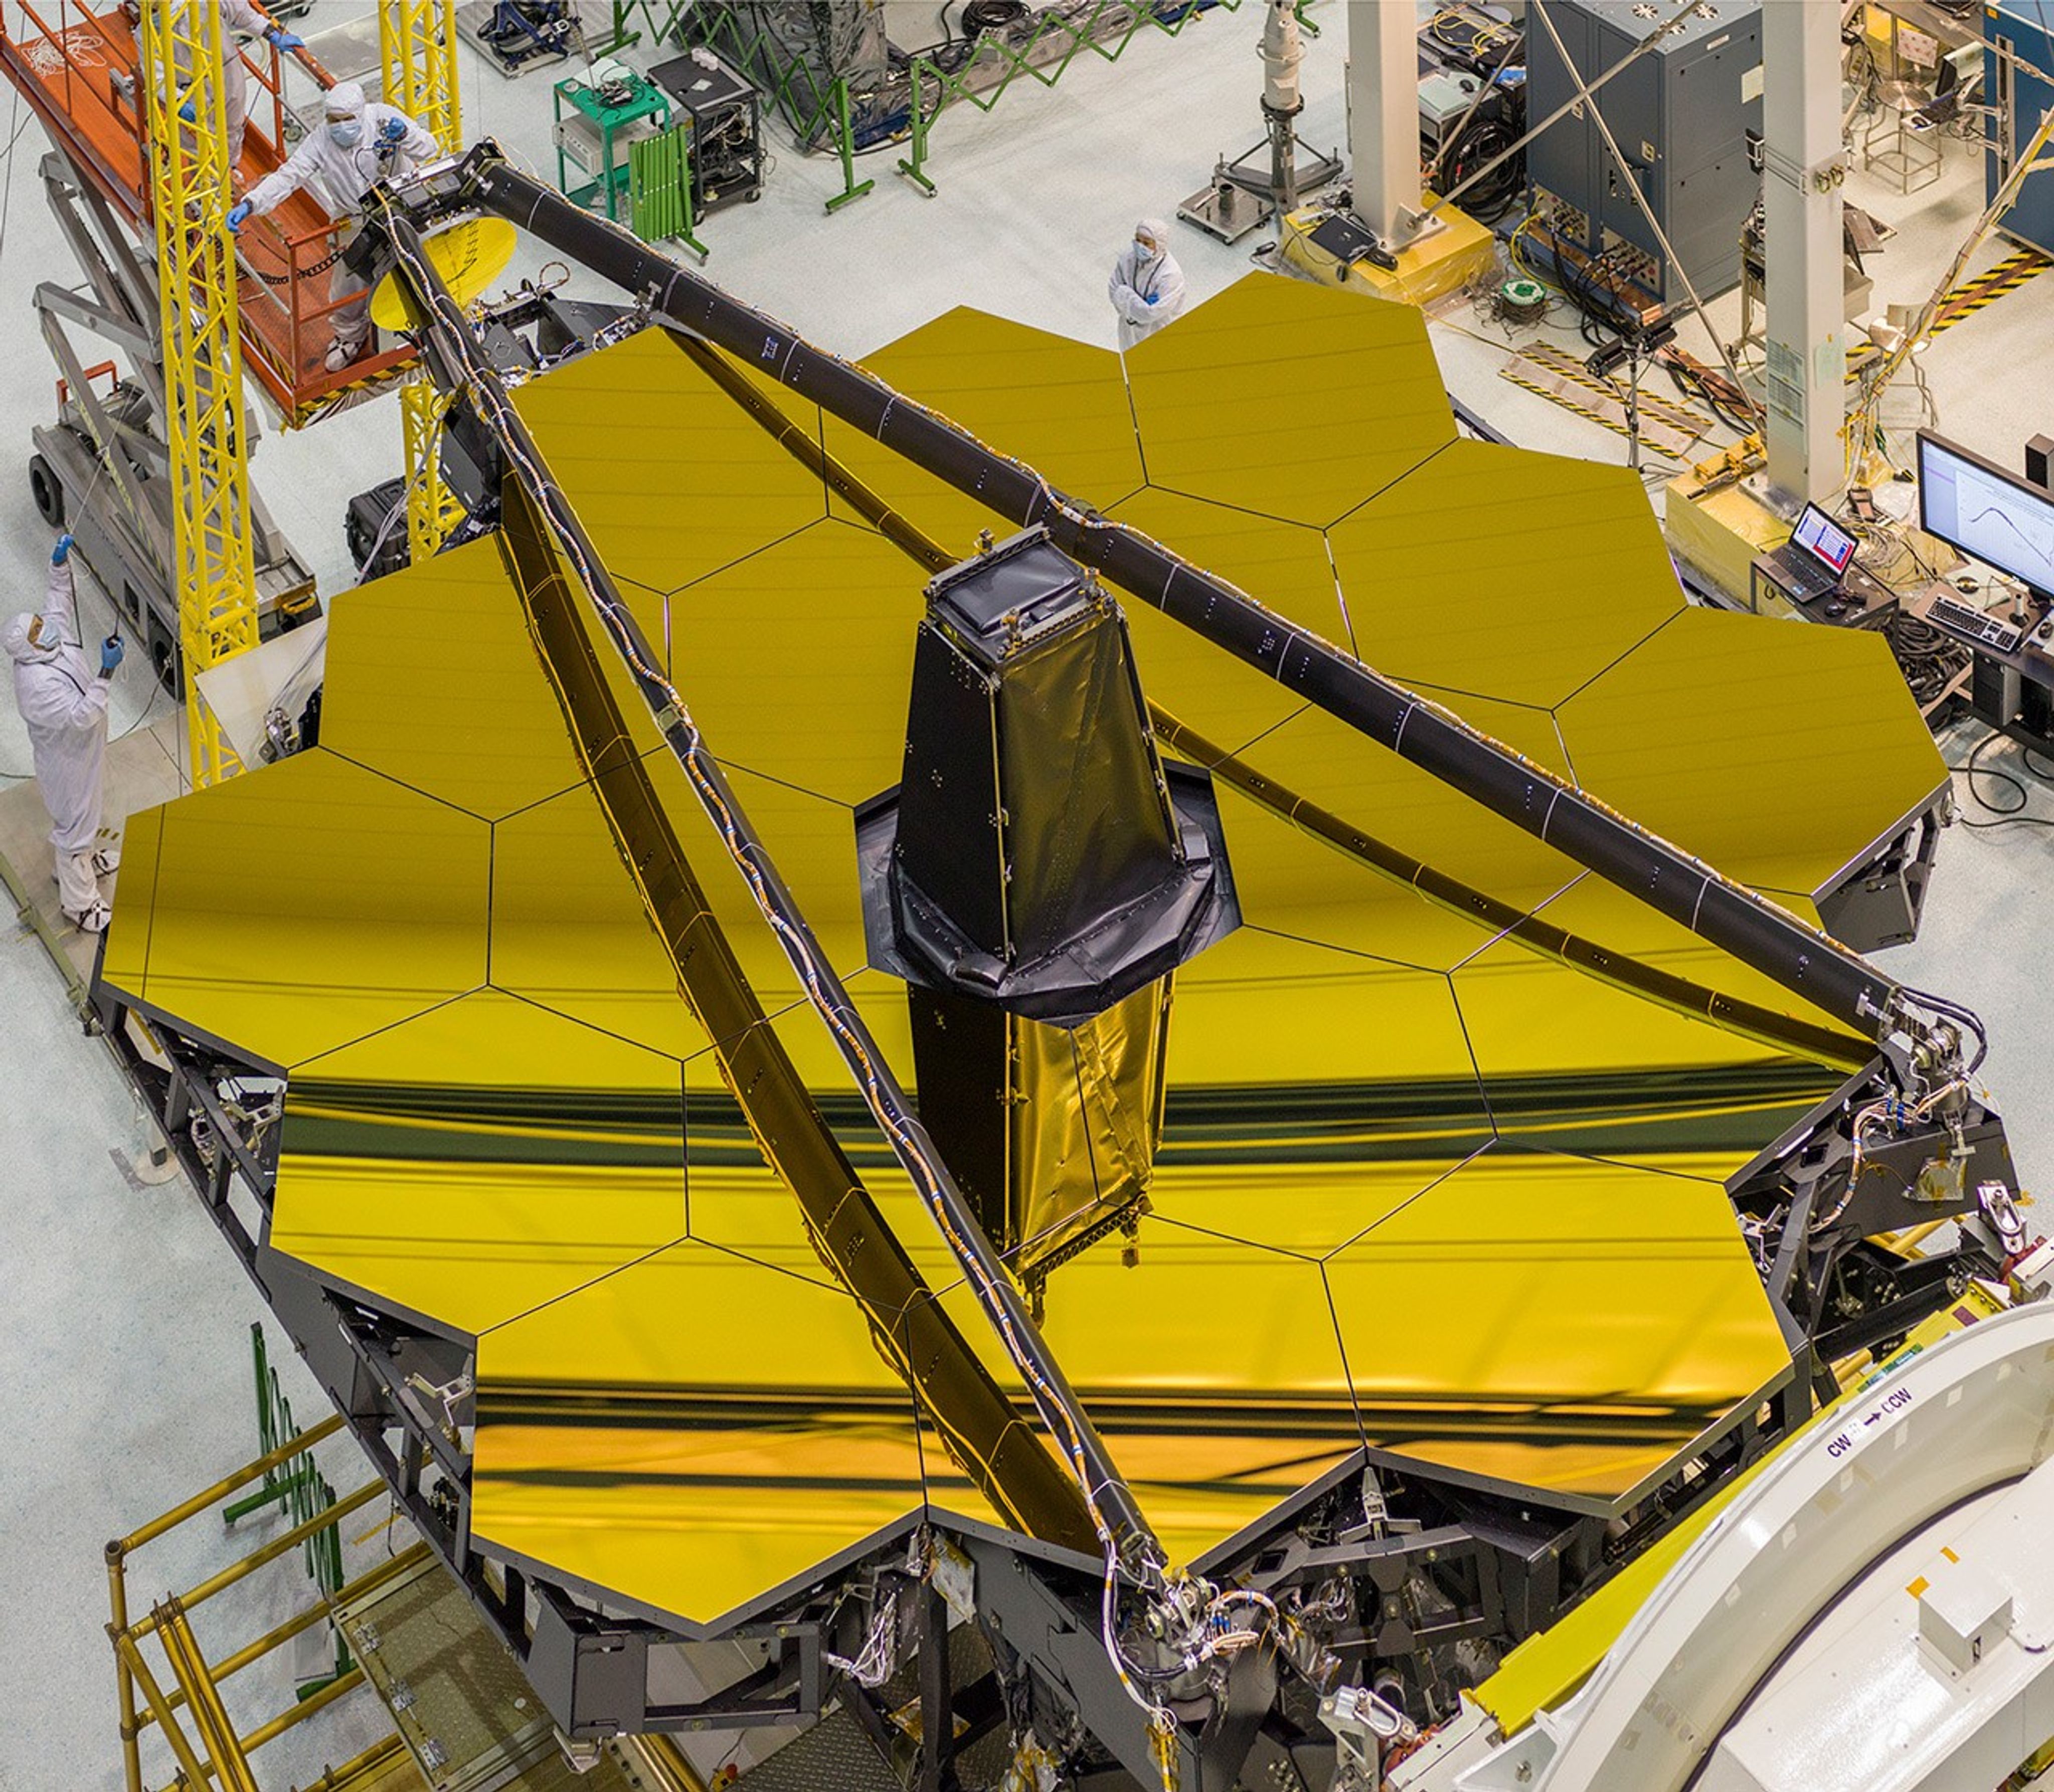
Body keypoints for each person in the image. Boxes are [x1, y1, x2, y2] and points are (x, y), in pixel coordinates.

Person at [228, 82, 438, 374]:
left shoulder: (382, 119)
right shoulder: (321, 140)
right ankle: (349, 338)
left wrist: (405, 136)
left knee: (419, 266)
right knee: (348, 283)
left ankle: (431, 318)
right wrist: (251, 203)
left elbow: (429, 147)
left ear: (360, 113)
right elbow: (290, 175)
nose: (340, 127)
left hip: (402, 206)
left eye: (347, 120)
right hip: (355, 218)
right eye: (333, 121)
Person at [6, 535, 124, 934]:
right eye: (39, 630)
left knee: (87, 818)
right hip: (67, 763)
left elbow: (59, 600)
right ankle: (81, 904)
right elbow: (81, 715)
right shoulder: (35, 687)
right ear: (27, 649)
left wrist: (59, 563)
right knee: (76, 826)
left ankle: (84, 863)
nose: (47, 627)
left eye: (40, 623)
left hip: (83, 751)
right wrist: (107, 672)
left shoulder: (45, 644)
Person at [120, 0, 304, 171]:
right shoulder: (147, 33)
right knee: (196, 143)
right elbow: (156, 76)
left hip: (226, 72)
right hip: (188, 89)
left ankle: (229, 170)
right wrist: (178, 100)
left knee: (232, 126)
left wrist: (271, 33)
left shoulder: (202, 4)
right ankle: (203, 183)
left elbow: (242, 12)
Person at [1108, 218, 1187, 350]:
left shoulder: (1170, 275)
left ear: (1160, 245)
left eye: (1147, 243)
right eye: (1138, 240)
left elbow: (1150, 314)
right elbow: (1112, 290)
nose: (1140, 246)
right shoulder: (1127, 259)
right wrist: (1138, 305)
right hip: (1128, 329)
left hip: (1157, 333)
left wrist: (1124, 294)